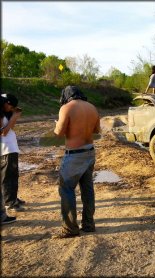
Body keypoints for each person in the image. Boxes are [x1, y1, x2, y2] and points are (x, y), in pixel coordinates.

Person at [53, 85, 100, 239]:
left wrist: (57, 125)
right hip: (89, 152)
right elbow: (96, 131)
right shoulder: (92, 107)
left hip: (74, 155)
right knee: (87, 190)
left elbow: (59, 133)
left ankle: (70, 228)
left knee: (66, 189)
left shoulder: (66, 108)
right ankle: (88, 224)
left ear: (66, 96)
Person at [0, 94, 25, 213]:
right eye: (11, 107)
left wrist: (13, 115)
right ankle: (9, 202)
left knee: (14, 175)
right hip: (5, 149)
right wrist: (14, 117)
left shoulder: (5, 111)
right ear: (7, 103)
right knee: (7, 177)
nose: (11, 109)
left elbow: (10, 128)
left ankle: (13, 198)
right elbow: (3, 132)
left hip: (11, 148)